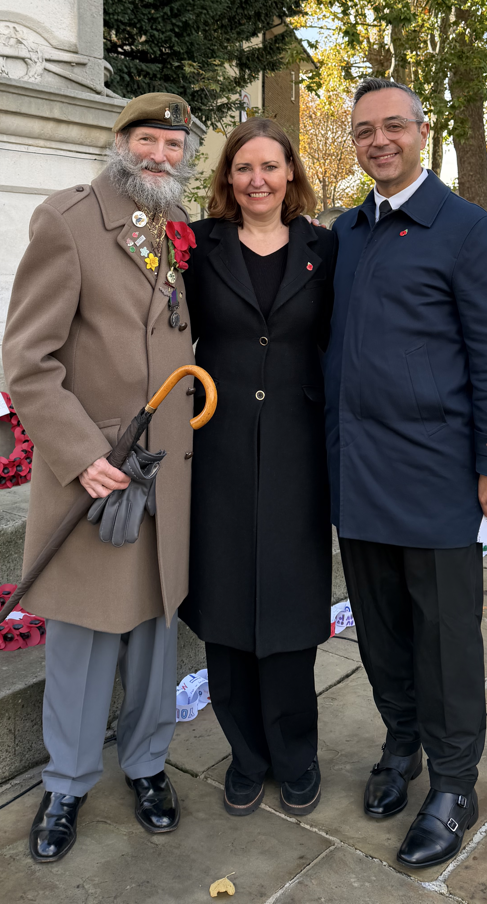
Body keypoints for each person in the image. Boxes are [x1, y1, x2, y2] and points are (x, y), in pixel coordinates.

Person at [323, 78, 487, 869]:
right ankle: (400, 743)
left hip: (438, 474)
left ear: (422, 131)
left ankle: (453, 781)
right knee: (379, 630)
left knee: (444, 638)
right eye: (365, 130)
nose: (380, 140)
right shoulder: (347, 231)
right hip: (359, 475)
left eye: (393, 127)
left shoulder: (467, 229)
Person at [2, 93, 198, 864]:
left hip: (169, 470)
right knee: (84, 634)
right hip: (101, 472)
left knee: (155, 626)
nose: (159, 155)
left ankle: (147, 765)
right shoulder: (69, 220)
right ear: (120, 143)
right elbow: (29, 362)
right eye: (146, 140)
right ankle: (68, 780)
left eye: (172, 144)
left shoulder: (177, 230)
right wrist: (83, 455)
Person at [181, 117, 337, 819]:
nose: (258, 180)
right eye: (244, 168)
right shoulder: (197, 245)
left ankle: (295, 754)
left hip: (299, 451)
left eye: (271, 167)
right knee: (225, 603)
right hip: (216, 446)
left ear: (291, 177)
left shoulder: (324, 249)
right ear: (227, 180)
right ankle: (245, 755)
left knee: (290, 603)